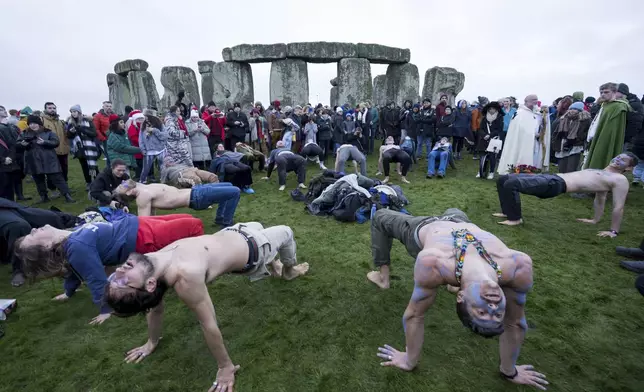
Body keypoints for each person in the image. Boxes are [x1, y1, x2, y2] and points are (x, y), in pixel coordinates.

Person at [104, 222, 310, 391]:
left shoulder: (150, 263)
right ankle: (288, 271)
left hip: (234, 232)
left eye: (114, 278)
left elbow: (154, 307)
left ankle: (274, 264)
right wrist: (225, 367)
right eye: (123, 283)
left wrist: (152, 341)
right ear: (148, 284)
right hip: (254, 248)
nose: (120, 271)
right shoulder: (186, 276)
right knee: (286, 231)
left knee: (258, 224)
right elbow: (208, 324)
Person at [368, 209, 547, 390]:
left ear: (461, 297)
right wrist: (510, 371)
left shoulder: (435, 263)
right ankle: (456, 282)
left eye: (482, 311)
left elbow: (415, 315)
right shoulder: (518, 266)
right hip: (458, 219)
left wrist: (409, 360)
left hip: (425, 226)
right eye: (497, 312)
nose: (493, 306)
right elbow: (515, 322)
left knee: (380, 216)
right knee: (455, 209)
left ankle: (383, 279)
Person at [14, 213, 204, 324]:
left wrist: (68, 292)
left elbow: (72, 272)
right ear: (45, 247)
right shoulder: (77, 248)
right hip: (141, 236)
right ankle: (203, 265)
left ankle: (199, 257)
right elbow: (95, 279)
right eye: (30, 237)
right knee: (193, 226)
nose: (32, 230)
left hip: (136, 223)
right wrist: (106, 309)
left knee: (187, 218)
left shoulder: (69, 240)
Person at [493, 153, 638, 234]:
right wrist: (595, 220)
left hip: (556, 185)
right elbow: (600, 198)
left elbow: (618, 207)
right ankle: (508, 211)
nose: (618, 159)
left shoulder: (620, 179)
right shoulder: (603, 172)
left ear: (630, 168)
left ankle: (515, 219)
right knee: (504, 179)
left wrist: (613, 231)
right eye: (619, 156)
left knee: (512, 184)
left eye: (623, 160)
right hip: (554, 177)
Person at [0, 197, 78, 286]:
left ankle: (68, 255)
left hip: (7, 204)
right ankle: (20, 269)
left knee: (50, 217)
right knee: (18, 226)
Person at [114, 178, 240, 227]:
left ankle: (220, 218)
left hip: (195, 190)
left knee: (229, 184)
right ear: (129, 193)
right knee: (235, 191)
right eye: (121, 186)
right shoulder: (142, 197)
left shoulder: (140, 186)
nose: (122, 182)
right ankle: (227, 223)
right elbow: (144, 222)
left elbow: (128, 181)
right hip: (196, 198)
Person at [16, 115, 75, 203]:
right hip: (33, 160)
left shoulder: (48, 132)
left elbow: (56, 142)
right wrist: (22, 144)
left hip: (49, 159)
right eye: (31, 123)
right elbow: (17, 145)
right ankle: (44, 197)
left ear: (39, 124)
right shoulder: (24, 133)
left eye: (35, 123)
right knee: (39, 180)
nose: (33, 125)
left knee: (57, 178)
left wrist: (45, 142)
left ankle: (67, 195)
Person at [497, 95, 550, 175]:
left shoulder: (537, 113)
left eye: (536, 100)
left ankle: (532, 172)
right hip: (521, 141)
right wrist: (532, 133)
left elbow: (541, 124)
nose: (535, 101)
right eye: (533, 100)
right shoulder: (519, 113)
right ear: (526, 101)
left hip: (534, 142)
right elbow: (518, 129)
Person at [583, 83, 630, 169]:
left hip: (606, 138)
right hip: (596, 137)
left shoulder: (619, 106)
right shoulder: (605, 105)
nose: (603, 95)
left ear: (614, 92)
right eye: (601, 92)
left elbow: (613, 129)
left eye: (606, 92)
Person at [66, 105, 100, 189]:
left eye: (75, 111)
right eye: (72, 112)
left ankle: (97, 181)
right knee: (84, 166)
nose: (73, 113)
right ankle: (88, 182)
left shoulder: (87, 121)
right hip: (79, 148)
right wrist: (71, 132)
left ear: (79, 112)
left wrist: (82, 129)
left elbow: (94, 133)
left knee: (93, 165)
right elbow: (69, 136)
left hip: (89, 147)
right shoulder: (70, 123)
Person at [552, 102, 591, 174]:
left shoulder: (584, 120)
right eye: (571, 109)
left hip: (575, 146)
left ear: (580, 110)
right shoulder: (563, 119)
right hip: (562, 144)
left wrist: (578, 139)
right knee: (562, 168)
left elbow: (586, 133)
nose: (572, 110)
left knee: (571, 168)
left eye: (575, 109)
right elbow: (556, 132)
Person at [0, 106, 24, 201]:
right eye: (1, 110)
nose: (4, 111)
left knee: (17, 177)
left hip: (15, 154)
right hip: (4, 157)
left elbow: (15, 140)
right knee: (5, 183)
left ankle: (19, 196)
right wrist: (4, 158)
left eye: (4, 109)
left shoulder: (11, 125)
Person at [139, 114, 167, 184]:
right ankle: (142, 181)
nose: (147, 121)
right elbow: (141, 139)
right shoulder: (143, 126)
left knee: (163, 167)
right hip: (148, 151)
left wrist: (155, 130)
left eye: (148, 119)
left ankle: (163, 181)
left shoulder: (160, 125)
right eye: (146, 119)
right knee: (146, 168)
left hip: (160, 149)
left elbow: (164, 137)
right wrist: (142, 149)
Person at [93, 101, 113, 166]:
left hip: (115, 139)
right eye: (107, 106)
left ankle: (110, 171)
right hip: (106, 140)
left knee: (114, 157)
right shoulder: (98, 116)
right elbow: (96, 129)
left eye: (110, 106)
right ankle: (109, 172)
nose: (109, 108)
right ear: (103, 107)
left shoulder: (113, 115)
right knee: (109, 157)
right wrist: (103, 138)